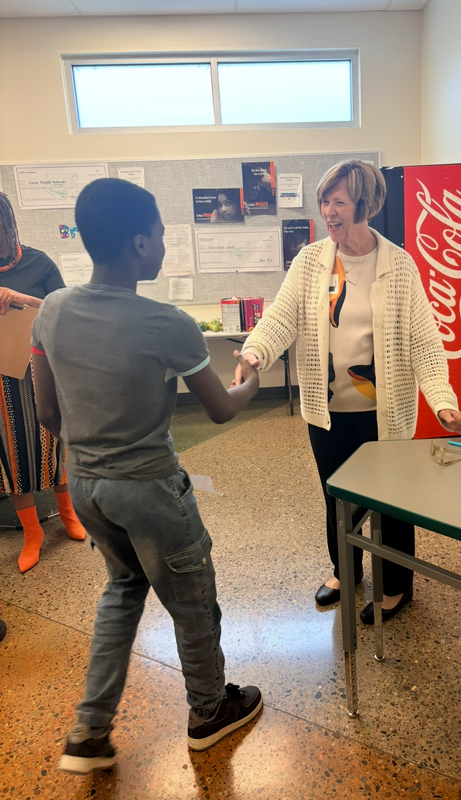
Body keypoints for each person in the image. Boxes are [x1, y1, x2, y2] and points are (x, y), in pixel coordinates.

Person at [30, 178, 262, 774]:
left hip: (86, 486)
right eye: (160, 235)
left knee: (123, 589)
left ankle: (89, 731)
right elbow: (220, 408)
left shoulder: (52, 311)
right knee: (191, 597)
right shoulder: (166, 322)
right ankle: (210, 712)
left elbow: (48, 413)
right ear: (139, 243)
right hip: (151, 489)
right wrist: (251, 381)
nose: (163, 244)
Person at [235, 160, 461, 624]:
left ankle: (395, 587)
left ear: (363, 205)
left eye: (339, 201)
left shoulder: (398, 264)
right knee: (337, 497)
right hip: (327, 411)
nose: (329, 210)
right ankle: (343, 570)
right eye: (325, 200)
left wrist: (443, 403)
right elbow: (281, 317)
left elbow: (425, 342)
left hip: (382, 414)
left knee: (390, 503)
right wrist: (254, 354)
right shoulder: (310, 261)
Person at [0, 192, 87, 572]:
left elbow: (66, 309)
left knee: (53, 442)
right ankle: (32, 531)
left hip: (42, 367)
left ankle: (68, 514)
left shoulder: (37, 261)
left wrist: (22, 298)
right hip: (1, 376)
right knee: (12, 452)